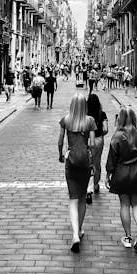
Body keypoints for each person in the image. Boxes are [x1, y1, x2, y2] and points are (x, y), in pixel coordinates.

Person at [105, 106, 137, 252]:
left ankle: (128, 237)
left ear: (120, 118)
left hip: (122, 174)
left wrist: (108, 174)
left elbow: (112, 157)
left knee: (124, 204)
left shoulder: (117, 136)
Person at [58, 93, 96, 252]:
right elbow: (92, 144)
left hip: (71, 160)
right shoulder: (90, 121)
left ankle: (74, 235)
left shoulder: (66, 120)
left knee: (73, 198)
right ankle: (79, 229)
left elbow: (60, 141)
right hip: (85, 162)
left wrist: (60, 154)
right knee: (81, 197)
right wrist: (91, 160)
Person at [86, 93, 108, 203]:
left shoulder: (85, 114)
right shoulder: (102, 114)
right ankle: (95, 184)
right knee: (96, 163)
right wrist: (100, 135)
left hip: (86, 140)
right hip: (98, 140)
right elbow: (106, 129)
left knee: (87, 163)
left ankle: (87, 186)